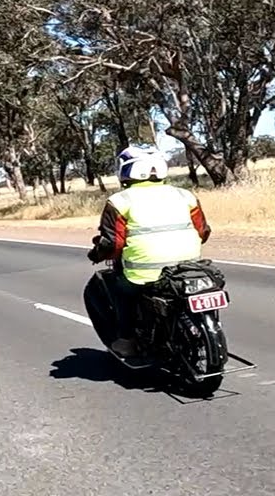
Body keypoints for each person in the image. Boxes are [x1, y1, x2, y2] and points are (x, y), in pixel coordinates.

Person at [86, 144, 211, 358]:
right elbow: (203, 231)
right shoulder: (185, 195)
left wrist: (96, 254)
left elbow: (113, 244)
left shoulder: (119, 201)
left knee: (120, 291)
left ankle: (127, 340)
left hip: (144, 274)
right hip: (189, 268)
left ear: (126, 171)